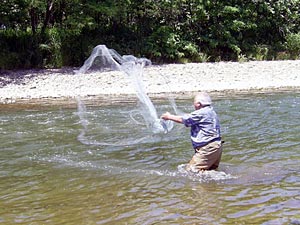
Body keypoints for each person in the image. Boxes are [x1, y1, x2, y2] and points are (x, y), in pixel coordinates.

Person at [161, 92, 223, 172]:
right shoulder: (210, 111)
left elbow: (184, 120)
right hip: (217, 147)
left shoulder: (201, 113)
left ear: (198, 104)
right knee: (210, 171)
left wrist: (169, 117)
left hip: (208, 148)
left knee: (190, 171)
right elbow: (192, 117)